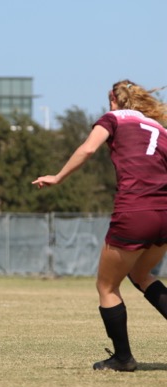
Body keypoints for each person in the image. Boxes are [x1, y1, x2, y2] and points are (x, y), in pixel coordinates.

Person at [32, 80, 167, 372]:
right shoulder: (158, 129)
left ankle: (123, 359)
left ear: (113, 100)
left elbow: (88, 149)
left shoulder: (112, 119)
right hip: (165, 212)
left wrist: (58, 176)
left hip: (136, 210)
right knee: (141, 274)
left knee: (107, 286)